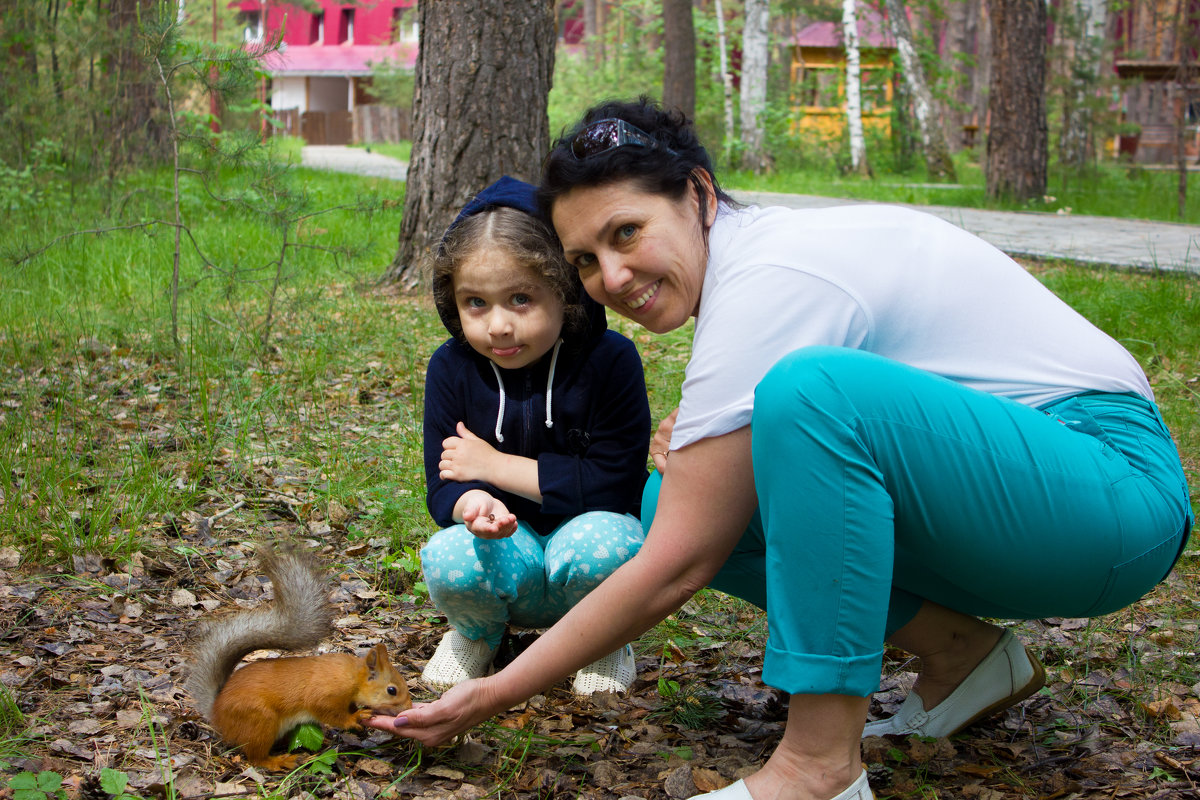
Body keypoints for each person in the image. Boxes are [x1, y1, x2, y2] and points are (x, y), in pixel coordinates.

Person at [371, 103, 1193, 800]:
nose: (611, 278)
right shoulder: (749, 270)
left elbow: (676, 568)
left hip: (1111, 498)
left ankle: (817, 767)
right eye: (586, 260)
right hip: (1033, 502)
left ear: (696, 194)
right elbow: (687, 528)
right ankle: (963, 655)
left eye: (628, 233)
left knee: (808, 397)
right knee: (679, 497)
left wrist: (492, 695)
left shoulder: (773, 276)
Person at [417, 175, 651, 696]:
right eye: (475, 302)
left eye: (520, 298)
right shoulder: (452, 369)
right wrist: (473, 503)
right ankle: (479, 635)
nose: (497, 325)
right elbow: (445, 483)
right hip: (507, 551)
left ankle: (604, 640)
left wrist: (495, 468)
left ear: (564, 290)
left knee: (615, 543)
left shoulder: (610, 362)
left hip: (587, 551)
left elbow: (616, 482)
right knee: (449, 554)